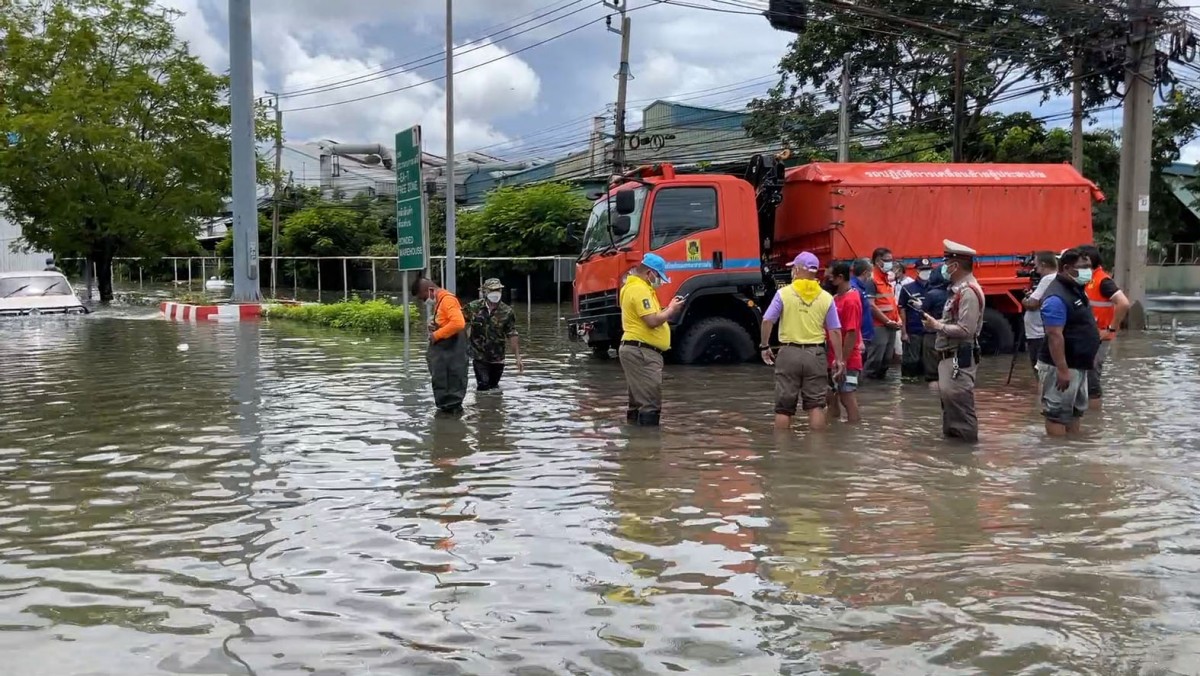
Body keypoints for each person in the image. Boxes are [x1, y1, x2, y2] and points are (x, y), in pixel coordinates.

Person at [761, 252, 845, 431]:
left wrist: (764, 345)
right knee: (816, 406)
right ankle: (817, 452)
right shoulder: (826, 297)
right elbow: (835, 330)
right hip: (815, 355)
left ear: (798, 269)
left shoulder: (783, 294)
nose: (792, 270)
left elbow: (767, 320)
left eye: (793, 267)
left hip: (789, 353)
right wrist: (839, 359)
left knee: (783, 409)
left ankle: (782, 452)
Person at [921, 240, 985, 442]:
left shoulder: (969, 292)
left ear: (955, 266)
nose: (944, 268)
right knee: (951, 409)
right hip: (949, 357)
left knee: (960, 408)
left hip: (959, 357)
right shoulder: (958, 290)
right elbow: (954, 322)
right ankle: (954, 455)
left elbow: (966, 329)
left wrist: (937, 327)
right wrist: (937, 323)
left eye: (946, 263)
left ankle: (966, 457)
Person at [1036, 248, 1101, 436]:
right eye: (1082, 267)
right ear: (1066, 268)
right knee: (1056, 414)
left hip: (1078, 365)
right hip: (1062, 367)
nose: (1087, 271)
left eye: (1089, 266)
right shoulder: (1056, 297)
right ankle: (1056, 458)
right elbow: (1055, 335)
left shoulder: (1076, 290)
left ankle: (1071, 454)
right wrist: (1062, 369)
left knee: (1075, 411)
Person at [619, 253, 683, 426]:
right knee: (650, 404)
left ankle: (636, 445)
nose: (659, 281)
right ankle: (650, 447)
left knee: (637, 402)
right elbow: (652, 321)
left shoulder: (634, 287)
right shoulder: (639, 289)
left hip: (638, 350)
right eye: (658, 277)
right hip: (642, 352)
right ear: (650, 273)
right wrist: (671, 309)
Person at [1076, 244, 1130, 408]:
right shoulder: (1087, 279)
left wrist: (1111, 329)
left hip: (1100, 335)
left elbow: (1124, 303)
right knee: (1084, 374)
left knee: (1092, 375)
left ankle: (1095, 421)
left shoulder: (1103, 281)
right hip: (1087, 334)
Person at [411, 276, 468, 415]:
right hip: (446, 359)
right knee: (445, 389)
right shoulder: (440, 302)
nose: (425, 301)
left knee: (451, 392)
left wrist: (436, 335)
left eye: (423, 298)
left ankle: (451, 425)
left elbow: (458, 323)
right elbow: (448, 323)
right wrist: (435, 325)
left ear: (430, 290)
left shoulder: (448, 300)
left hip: (451, 358)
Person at [464, 278, 523, 392]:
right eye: (492, 290)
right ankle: (482, 408)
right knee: (483, 386)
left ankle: (494, 407)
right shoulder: (473, 307)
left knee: (494, 387)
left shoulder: (507, 311)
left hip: (497, 357)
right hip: (479, 355)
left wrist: (517, 357)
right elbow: (456, 321)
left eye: (498, 290)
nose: (495, 293)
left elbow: (512, 333)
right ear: (485, 291)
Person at [824, 260, 862, 423]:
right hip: (832, 358)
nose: (827, 281)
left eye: (830, 278)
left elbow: (852, 334)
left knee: (847, 398)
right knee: (830, 397)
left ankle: (854, 434)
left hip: (848, 360)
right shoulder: (836, 298)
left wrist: (843, 361)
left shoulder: (851, 300)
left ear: (840, 278)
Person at [865, 248, 902, 379]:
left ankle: (880, 392)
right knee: (875, 361)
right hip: (879, 326)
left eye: (891, 260)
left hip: (891, 325)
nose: (890, 263)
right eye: (886, 260)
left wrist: (898, 320)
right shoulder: (872, 280)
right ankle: (870, 391)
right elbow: (871, 305)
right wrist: (887, 321)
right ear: (877, 261)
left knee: (886, 361)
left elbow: (892, 303)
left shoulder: (886, 280)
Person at [1021, 251, 1059, 371]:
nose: (1035, 268)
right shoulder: (1055, 278)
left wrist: (1025, 300)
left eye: (1036, 264)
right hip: (1041, 332)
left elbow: (1033, 303)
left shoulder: (1048, 278)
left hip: (1038, 334)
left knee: (1040, 371)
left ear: (1043, 264)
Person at [898, 258, 933, 378]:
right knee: (911, 361)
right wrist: (903, 332)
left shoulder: (934, 288)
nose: (926, 272)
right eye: (923, 270)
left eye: (928, 269)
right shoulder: (907, 288)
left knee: (927, 363)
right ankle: (909, 387)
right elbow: (902, 311)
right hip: (913, 330)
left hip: (930, 332)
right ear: (917, 271)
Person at [920, 264, 951, 387]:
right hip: (950, 334)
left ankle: (933, 402)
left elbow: (923, 314)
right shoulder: (954, 293)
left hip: (932, 335)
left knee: (933, 374)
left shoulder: (931, 294)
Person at [849, 258, 876, 350]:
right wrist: (860, 340)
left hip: (866, 334)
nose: (872, 275)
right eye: (871, 272)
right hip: (861, 337)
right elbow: (854, 316)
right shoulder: (854, 289)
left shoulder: (861, 287)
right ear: (865, 273)